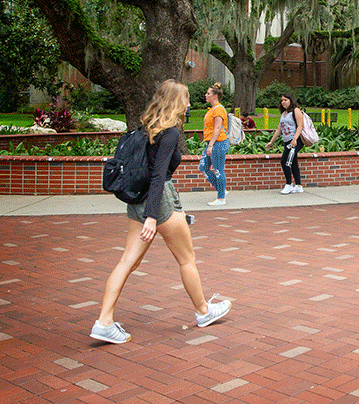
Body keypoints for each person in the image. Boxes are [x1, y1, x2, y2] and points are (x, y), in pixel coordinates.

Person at [90, 80, 231, 344]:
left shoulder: (146, 128)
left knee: (127, 262)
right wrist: (153, 217)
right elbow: (158, 177)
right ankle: (203, 311)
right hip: (160, 201)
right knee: (186, 258)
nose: (189, 104)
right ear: (177, 103)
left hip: (137, 201)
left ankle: (104, 321)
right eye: (186, 99)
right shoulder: (168, 134)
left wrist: (146, 214)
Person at [264, 92, 305, 194]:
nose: (283, 102)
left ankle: (289, 184)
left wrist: (295, 139)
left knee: (285, 161)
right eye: (282, 100)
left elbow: (300, 126)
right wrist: (271, 142)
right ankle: (298, 186)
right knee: (293, 162)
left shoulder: (296, 111)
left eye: (285, 100)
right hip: (287, 141)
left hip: (295, 141)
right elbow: (279, 129)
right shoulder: (284, 114)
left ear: (291, 101)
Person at [200, 82, 229, 206]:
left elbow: (217, 128)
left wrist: (211, 145)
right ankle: (222, 189)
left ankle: (221, 198)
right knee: (203, 167)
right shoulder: (212, 109)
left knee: (218, 170)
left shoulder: (218, 109)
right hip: (212, 143)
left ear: (215, 96)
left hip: (218, 143)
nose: (206, 95)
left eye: (208, 93)